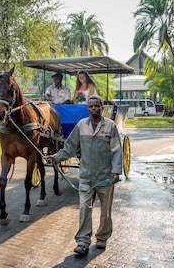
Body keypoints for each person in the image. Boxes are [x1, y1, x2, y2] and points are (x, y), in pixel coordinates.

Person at [44, 95, 122, 256]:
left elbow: (116, 151)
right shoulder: (81, 126)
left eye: (96, 106)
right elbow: (70, 148)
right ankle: (83, 241)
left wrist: (116, 171)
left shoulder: (110, 126)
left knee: (105, 211)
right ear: (88, 108)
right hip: (86, 177)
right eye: (90, 106)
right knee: (84, 209)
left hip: (105, 177)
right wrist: (55, 158)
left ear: (102, 108)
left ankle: (102, 238)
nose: (93, 109)